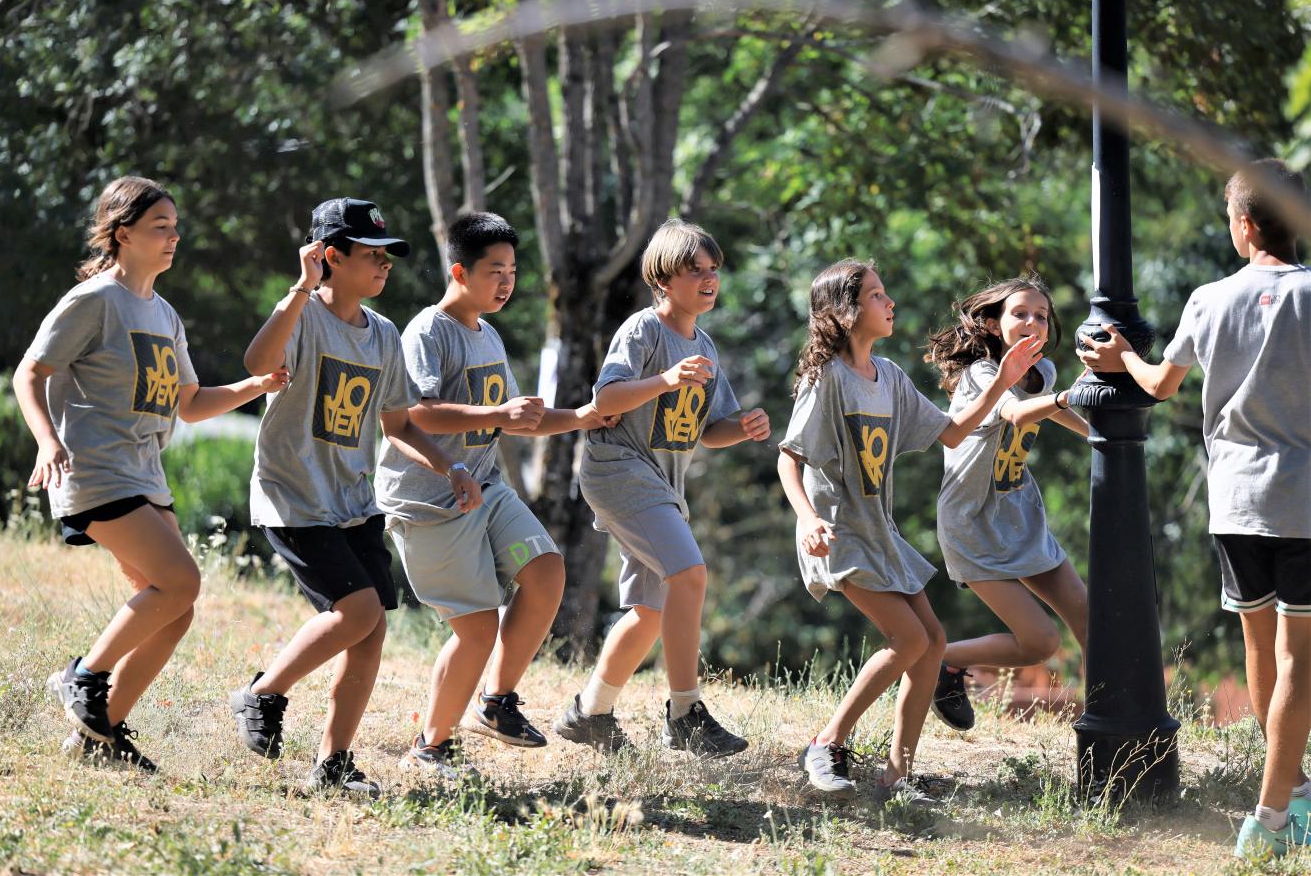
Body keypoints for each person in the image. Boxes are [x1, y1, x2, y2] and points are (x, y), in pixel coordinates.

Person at [14, 176, 286, 773]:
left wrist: (254, 386)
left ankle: (99, 735)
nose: (173, 237)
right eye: (159, 227)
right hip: (95, 468)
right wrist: (46, 440)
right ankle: (83, 677)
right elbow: (28, 374)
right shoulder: (93, 302)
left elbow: (188, 403)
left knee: (175, 605)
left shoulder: (163, 313)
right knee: (180, 581)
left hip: (143, 472)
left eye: (175, 227)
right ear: (123, 234)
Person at [1079, 159, 1310, 858]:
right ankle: (1270, 819)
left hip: (1236, 500)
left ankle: (1292, 787)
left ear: (1243, 226)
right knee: (1299, 656)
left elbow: (1160, 383)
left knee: (1260, 650)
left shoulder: (1210, 299)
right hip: (1304, 499)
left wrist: (1119, 358)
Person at [229, 197, 480, 798]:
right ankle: (262, 693)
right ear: (328, 258)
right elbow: (257, 362)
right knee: (358, 611)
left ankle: (334, 764)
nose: (384, 266)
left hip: (351, 500)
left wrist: (450, 467)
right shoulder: (301, 315)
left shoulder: (385, 334)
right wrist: (298, 288)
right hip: (294, 497)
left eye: (388, 256)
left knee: (370, 633)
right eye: (370, 255)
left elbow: (398, 423)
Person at [777, 258, 1042, 801]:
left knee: (936, 641)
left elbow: (952, 433)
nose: (890, 303)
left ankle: (898, 773)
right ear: (846, 312)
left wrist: (1003, 385)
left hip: (881, 532)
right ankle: (825, 744)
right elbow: (788, 458)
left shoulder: (890, 377)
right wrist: (808, 519)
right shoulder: (827, 377)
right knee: (911, 639)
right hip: (841, 533)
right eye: (877, 296)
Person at [375, 211, 610, 777]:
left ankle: (497, 703)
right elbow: (413, 415)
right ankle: (430, 748)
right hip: (431, 501)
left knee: (547, 569)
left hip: (486, 486)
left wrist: (581, 418)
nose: (506, 282)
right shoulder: (428, 331)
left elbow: (512, 422)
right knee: (477, 627)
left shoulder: (489, 333)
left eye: (512, 270)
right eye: (494, 271)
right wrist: (496, 412)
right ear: (459, 270)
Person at [553, 218, 770, 757]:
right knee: (690, 575)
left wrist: (741, 429)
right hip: (619, 468)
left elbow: (706, 431)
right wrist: (667, 380)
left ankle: (590, 712)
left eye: (713, 270)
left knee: (651, 610)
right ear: (662, 280)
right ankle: (685, 712)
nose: (708, 279)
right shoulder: (643, 331)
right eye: (694, 270)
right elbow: (605, 401)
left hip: (661, 483)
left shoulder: (708, 348)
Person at [922, 276, 1090, 732]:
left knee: (1086, 614)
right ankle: (942, 659)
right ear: (996, 325)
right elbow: (1016, 411)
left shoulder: (1046, 372)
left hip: (1019, 513)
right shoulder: (982, 374)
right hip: (971, 523)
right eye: (1020, 313)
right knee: (1040, 642)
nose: (1033, 321)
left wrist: (1100, 435)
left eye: (1041, 315)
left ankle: (1113, 713)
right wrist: (1070, 395)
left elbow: (1053, 408)